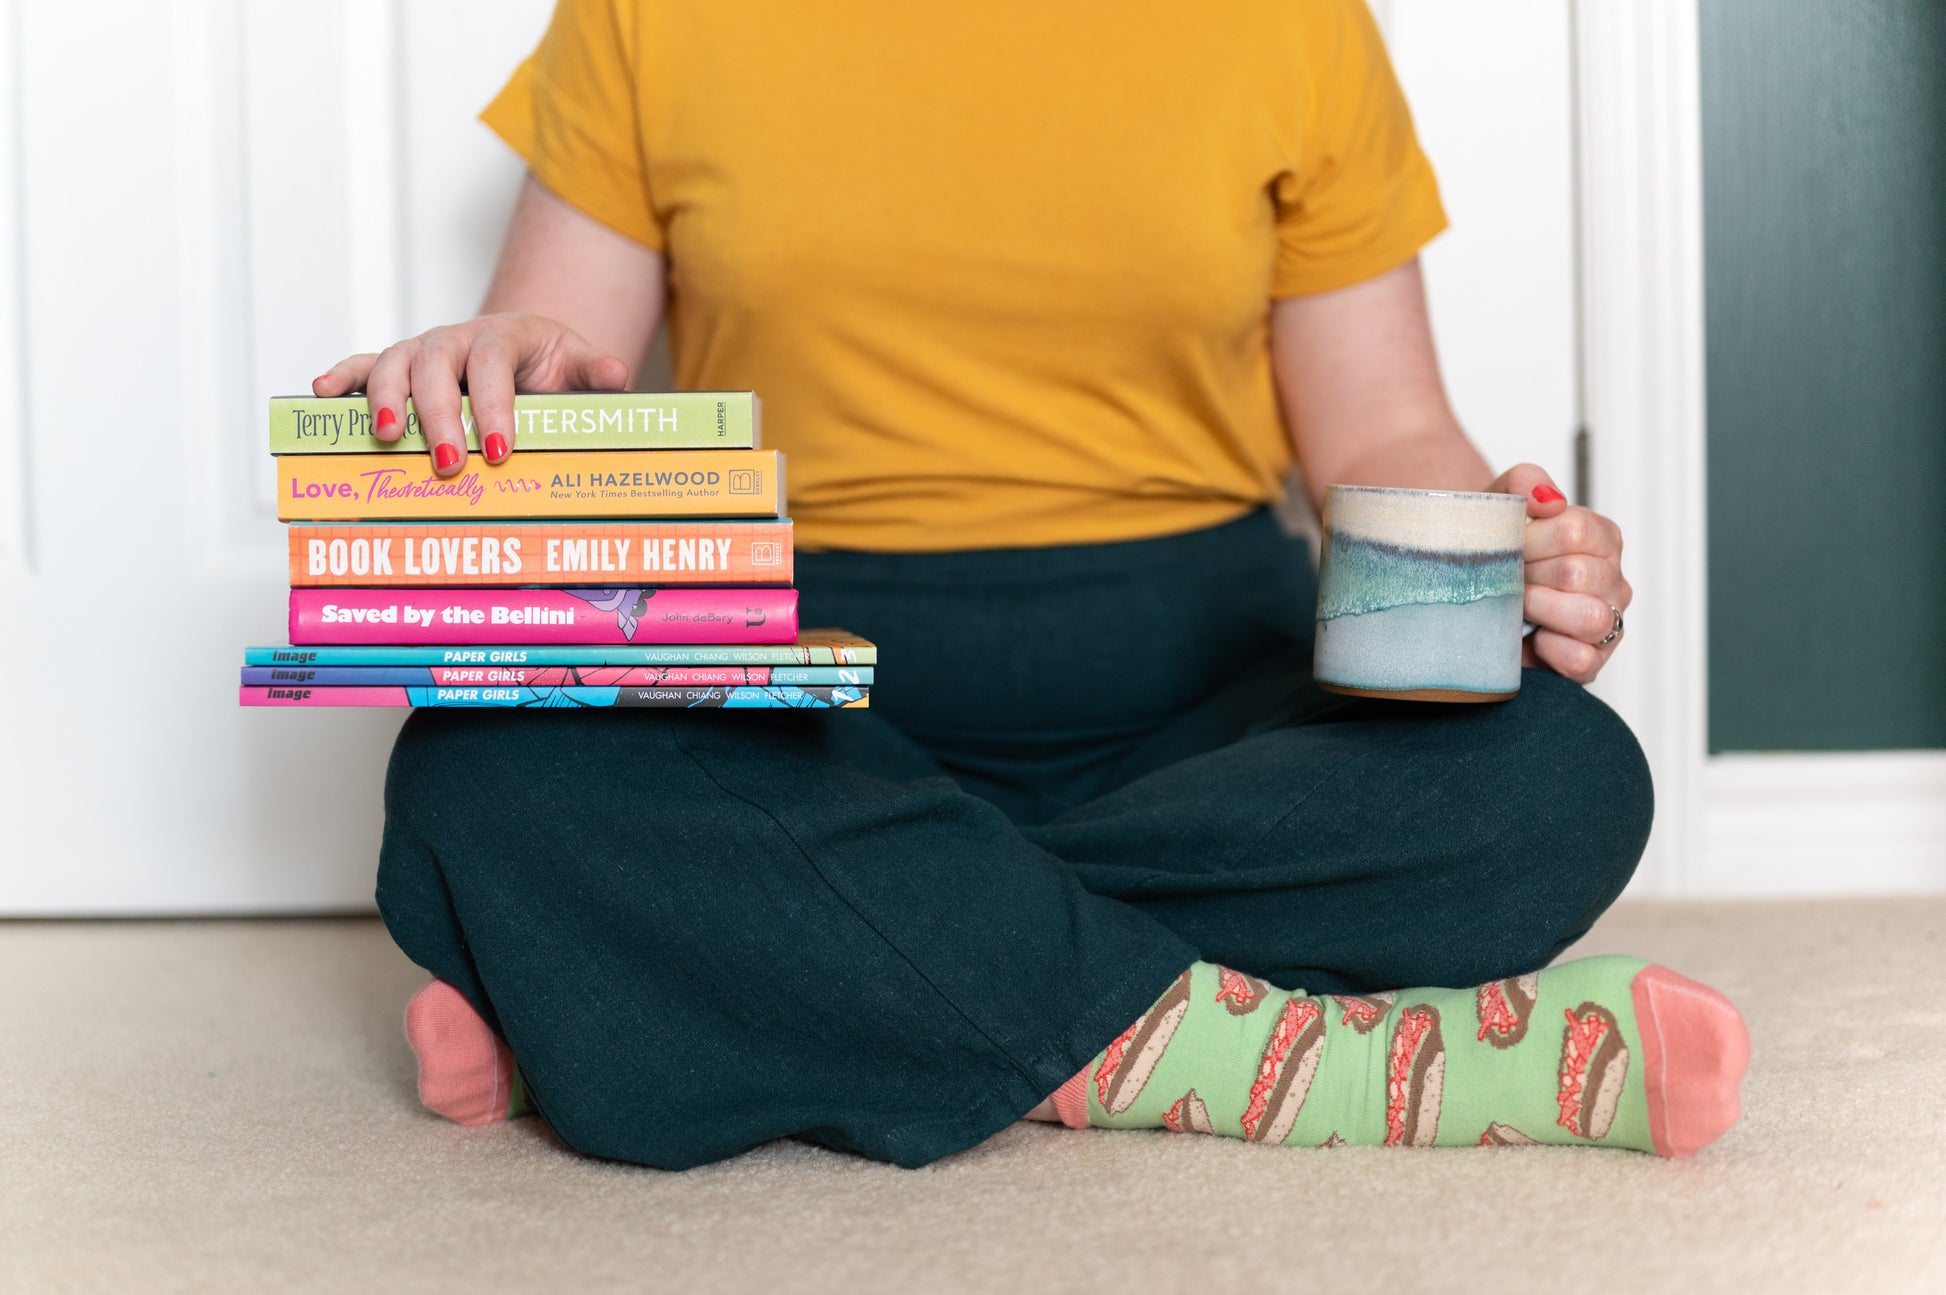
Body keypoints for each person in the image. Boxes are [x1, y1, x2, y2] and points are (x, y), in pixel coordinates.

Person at [323, 0, 1748, 1169]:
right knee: (483, 756)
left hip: (1200, 691)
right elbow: (560, 353)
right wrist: (499, 368)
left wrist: (1508, 553)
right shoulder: (648, 14)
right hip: (807, 701)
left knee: (1553, 775)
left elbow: (1380, 434)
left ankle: (676, 988)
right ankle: (1286, 1062)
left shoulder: (1296, 23)